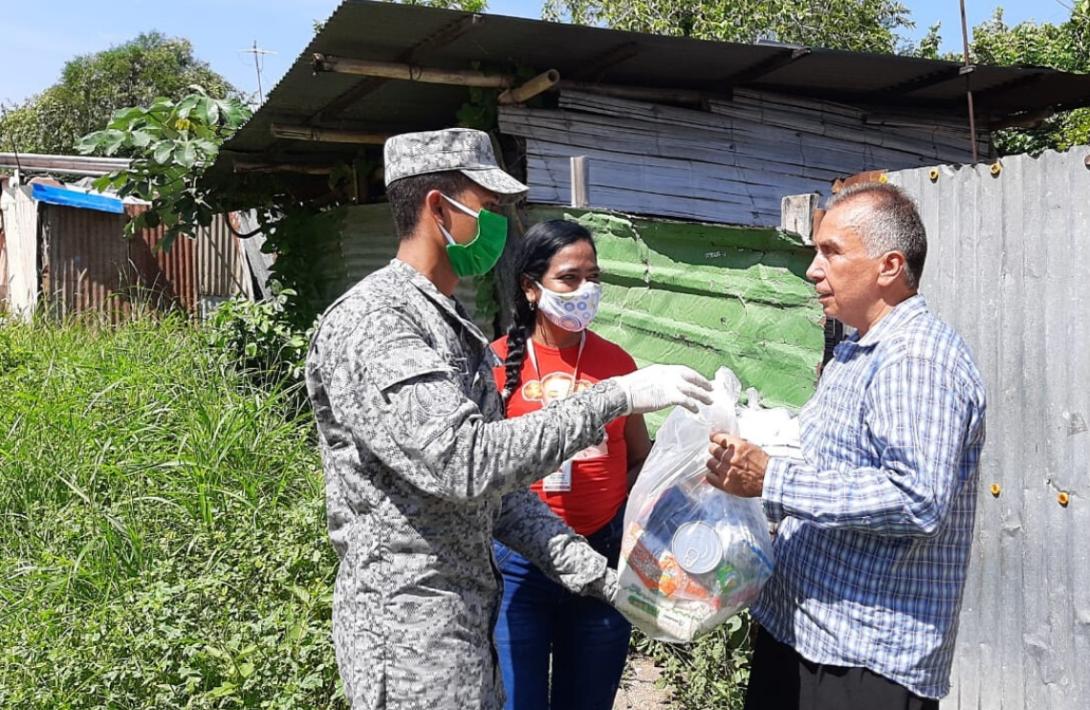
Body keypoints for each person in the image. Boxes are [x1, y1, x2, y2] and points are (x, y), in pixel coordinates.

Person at [304, 127, 713, 710]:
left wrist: (604, 582)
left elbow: (499, 495)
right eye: (489, 207)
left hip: (462, 616)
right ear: (439, 208)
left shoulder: (443, 320)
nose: (499, 224)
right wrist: (613, 397)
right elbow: (462, 462)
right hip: (409, 630)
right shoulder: (379, 323)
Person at [704, 183, 986, 710]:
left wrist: (771, 480)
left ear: (889, 266)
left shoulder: (915, 360)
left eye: (831, 252)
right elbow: (831, 461)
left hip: (861, 659)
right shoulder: (858, 346)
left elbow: (917, 499)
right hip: (805, 633)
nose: (813, 269)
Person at [489, 219, 650, 710]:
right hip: (520, 565)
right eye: (570, 278)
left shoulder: (618, 366)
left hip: (602, 559)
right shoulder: (495, 365)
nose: (586, 290)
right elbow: (481, 469)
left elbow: (640, 457)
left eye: (593, 276)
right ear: (531, 288)